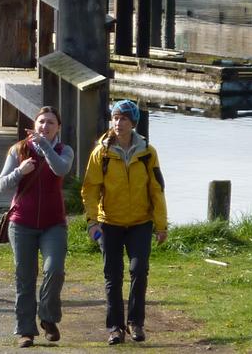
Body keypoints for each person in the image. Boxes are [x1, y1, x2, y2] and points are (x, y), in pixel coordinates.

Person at [82, 99, 168, 346]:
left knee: (139, 270)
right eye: (115, 118)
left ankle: (136, 323)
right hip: (109, 222)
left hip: (141, 222)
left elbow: (156, 189)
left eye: (124, 119)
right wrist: (92, 221)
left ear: (133, 123)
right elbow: (90, 189)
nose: (118, 123)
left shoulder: (148, 152)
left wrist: (161, 225)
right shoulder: (101, 153)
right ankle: (115, 328)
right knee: (113, 274)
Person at [0, 106, 75, 348]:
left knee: (55, 270)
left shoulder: (64, 150)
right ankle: (25, 331)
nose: (45, 126)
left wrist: (45, 147)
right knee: (25, 277)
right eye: (41, 121)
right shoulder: (19, 149)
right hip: (21, 223)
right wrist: (19, 172)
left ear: (58, 127)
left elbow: (61, 169)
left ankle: (48, 317)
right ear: (34, 124)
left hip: (54, 223)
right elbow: (2, 184)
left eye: (51, 122)